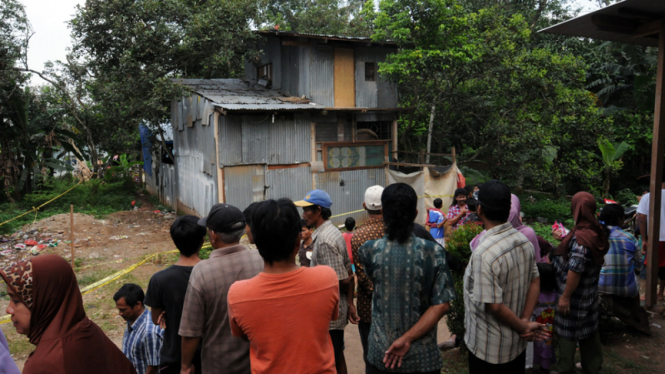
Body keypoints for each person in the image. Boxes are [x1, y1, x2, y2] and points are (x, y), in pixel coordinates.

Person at [228, 199, 340, 374]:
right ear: (298, 240)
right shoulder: (327, 279)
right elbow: (329, 319)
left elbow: (243, 335)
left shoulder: (238, 294)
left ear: (255, 242)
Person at [359, 183, 456, 374]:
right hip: (422, 358)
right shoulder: (434, 252)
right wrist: (407, 338)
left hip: (382, 354)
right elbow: (442, 304)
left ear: (384, 212)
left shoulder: (368, 250)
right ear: (415, 213)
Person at [464, 180, 547, 374]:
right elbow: (536, 279)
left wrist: (523, 328)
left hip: (489, 350)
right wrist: (525, 320)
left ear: (480, 210)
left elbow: (494, 305)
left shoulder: (484, 253)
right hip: (516, 345)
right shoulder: (523, 241)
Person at [1, 255, 135, 374]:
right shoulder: (86, 330)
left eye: (16, 301)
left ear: (45, 300)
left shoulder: (44, 365)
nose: (9, 310)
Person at [179, 203, 263, 374]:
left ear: (214, 235)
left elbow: (191, 330)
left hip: (219, 365)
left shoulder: (202, 271)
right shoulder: (261, 260)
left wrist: (185, 366)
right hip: (257, 362)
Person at [295, 190, 358, 374]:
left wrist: (347, 302)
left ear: (319, 210)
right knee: (337, 355)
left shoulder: (323, 241)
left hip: (330, 313)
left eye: (307, 210)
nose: (303, 214)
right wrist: (349, 303)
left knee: (332, 358)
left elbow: (343, 280)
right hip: (336, 307)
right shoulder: (332, 232)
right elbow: (347, 273)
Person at [551, 192, 609, 374]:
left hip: (574, 295)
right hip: (589, 292)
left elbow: (575, 268)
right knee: (589, 330)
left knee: (568, 331)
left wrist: (565, 297)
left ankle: (564, 367)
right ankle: (592, 366)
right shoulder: (595, 231)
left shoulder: (581, 239)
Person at [144, 216, 205, 374]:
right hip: (209, 356)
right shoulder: (212, 272)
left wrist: (168, 311)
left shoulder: (160, 280)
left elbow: (156, 320)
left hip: (174, 357)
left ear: (175, 241)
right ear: (203, 240)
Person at [597, 204, 649, 334]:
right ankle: (635, 312)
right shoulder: (629, 238)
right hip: (627, 289)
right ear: (620, 219)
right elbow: (638, 263)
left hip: (600, 287)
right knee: (633, 278)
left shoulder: (596, 236)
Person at [351, 185, 386, 369]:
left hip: (368, 309)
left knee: (371, 355)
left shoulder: (358, 236)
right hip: (395, 306)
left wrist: (376, 291)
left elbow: (361, 275)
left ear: (364, 205)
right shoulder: (395, 231)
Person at [115, 284, 163, 374]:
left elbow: (153, 369)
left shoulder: (149, 333)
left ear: (137, 305)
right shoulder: (132, 320)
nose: (120, 313)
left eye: (123, 310)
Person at [636, 179, 665, 299]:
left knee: (650, 265)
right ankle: (660, 293)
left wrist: (644, 239)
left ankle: (648, 293)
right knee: (664, 266)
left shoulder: (648, 196)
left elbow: (642, 218)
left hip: (655, 237)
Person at [531, 263, 557, 374]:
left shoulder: (534, 293)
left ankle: (531, 365)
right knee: (547, 346)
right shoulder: (556, 294)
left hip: (535, 327)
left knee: (534, 346)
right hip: (549, 329)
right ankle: (545, 368)